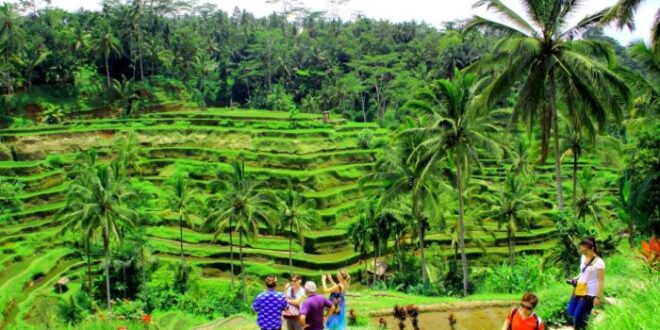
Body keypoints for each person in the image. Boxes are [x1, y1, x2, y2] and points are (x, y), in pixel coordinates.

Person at [566, 237, 605, 330]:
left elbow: (601, 280)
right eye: (582, 250)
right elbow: (583, 271)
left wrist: (597, 297)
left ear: (592, 249)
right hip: (579, 289)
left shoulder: (599, 263)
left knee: (579, 317)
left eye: (585, 251)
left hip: (589, 294)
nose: (583, 253)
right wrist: (576, 278)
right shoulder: (584, 257)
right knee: (571, 311)